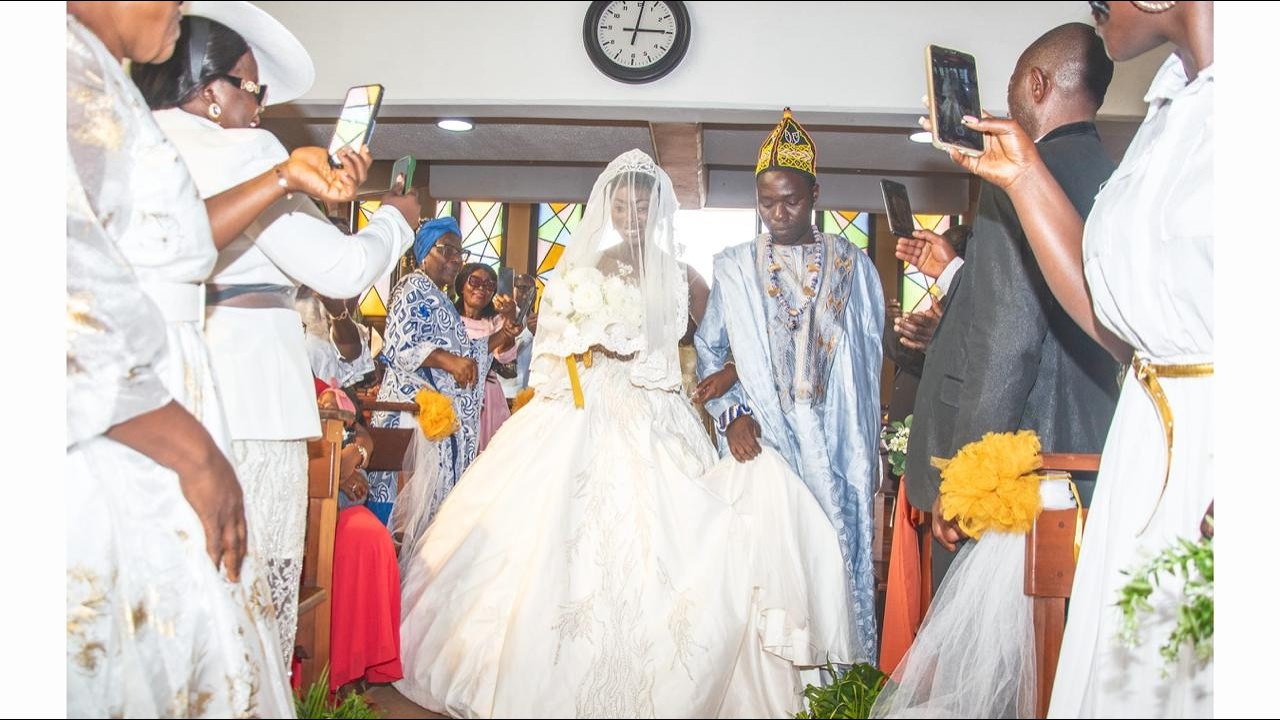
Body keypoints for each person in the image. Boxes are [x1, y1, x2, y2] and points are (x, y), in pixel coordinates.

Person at [393, 149, 856, 718]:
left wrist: (726, 374)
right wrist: (585, 340)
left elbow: (725, 342)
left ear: (658, 208)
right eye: (622, 203)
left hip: (654, 404)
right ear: (607, 206)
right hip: (587, 403)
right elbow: (556, 342)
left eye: (643, 204)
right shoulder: (579, 264)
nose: (632, 214)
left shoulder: (681, 274)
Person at [936, 1, 1214, 716]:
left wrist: (969, 477)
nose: (1096, 11)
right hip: (1140, 450)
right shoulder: (1165, 115)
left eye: (1102, 2)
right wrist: (1023, 178)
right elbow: (1110, 313)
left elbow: (1006, 344)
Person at [131, 0, 421, 667]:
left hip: (164, 392)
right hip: (252, 398)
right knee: (250, 592)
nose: (260, 107)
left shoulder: (143, 140)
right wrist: (395, 219)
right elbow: (342, 271)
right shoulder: (253, 155)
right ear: (210, 92)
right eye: (251, 88)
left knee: (179, 590)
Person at [65, 2, 297, 715]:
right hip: (132, 419)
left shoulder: (100, 75)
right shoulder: (62, 73)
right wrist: (195, 455)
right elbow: (64, 304)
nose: (180, 5)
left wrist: (287, 180)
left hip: (167, 393)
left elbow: (177, 242)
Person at [906, 22, 1122, 591]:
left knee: (994, 669)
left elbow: (1008, 342)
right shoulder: (1115, 177)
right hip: (1093, 454)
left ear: (1036, 82)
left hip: (1016, 474)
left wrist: (967, 485)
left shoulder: (1019, 180)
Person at [695, 109, 885, 661]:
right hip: (765, 440)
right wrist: (732, 417)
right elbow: (710, 353)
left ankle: (839, 677)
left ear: (815, 194)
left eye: (791, 201)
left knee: (834, 558)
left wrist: (862, 446)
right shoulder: (734, 267)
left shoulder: (853, 265)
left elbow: (868, 360)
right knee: (774, 572)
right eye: (766, 202)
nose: (778, 214)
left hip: (834, 439)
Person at [369, 218, 496, 528]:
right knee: (401, 516)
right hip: (408, 415)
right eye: (446, 250)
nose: (455, 259)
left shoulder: (440, 299)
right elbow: (399, 346)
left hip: (434, 425)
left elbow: (463, 354)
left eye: (459, 252)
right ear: (424, 252)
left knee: (429, 517)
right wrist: (446, 360)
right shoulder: (412, 287)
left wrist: (493, 343)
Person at [453, 262, 521, 451]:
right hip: (458, 393)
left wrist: (508, 318)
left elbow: (506, 359)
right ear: (461, 285)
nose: (481, 288)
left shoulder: (494, 322)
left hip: (490, 397)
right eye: (474, 281)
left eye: (489, 285)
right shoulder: (450, 319)